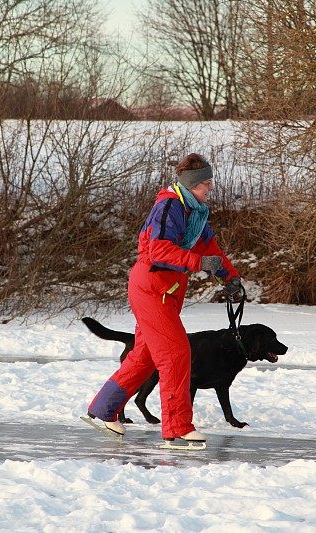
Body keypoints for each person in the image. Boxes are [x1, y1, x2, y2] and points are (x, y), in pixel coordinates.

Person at [86, 153, 244, 445]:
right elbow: (159, 250)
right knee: (176, 353)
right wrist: (199, 263)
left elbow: (211, 248)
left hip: (168, 291)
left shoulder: (195, 211)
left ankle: (104, 410)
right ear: (190, 184)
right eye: (205, 183)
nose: (210, 187)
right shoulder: (169, 206)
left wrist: (229, 277)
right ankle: (177, 426)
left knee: (145, 357)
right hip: (151, 287)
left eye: (210, 182)